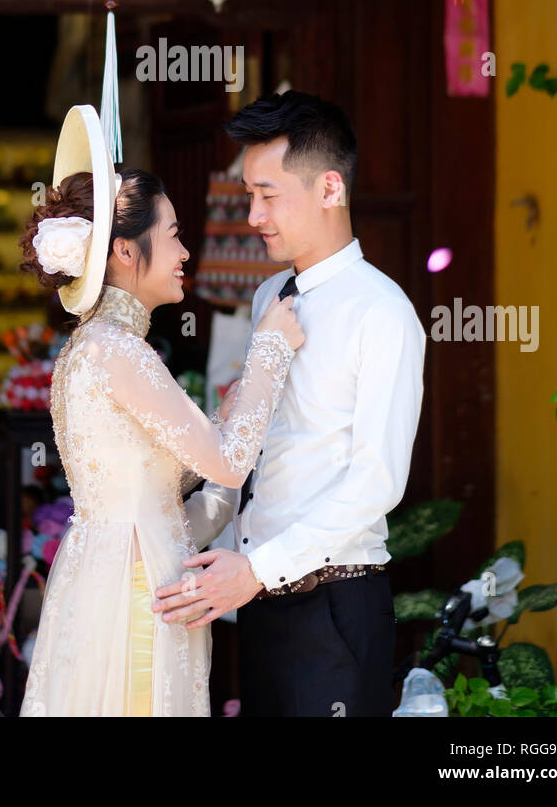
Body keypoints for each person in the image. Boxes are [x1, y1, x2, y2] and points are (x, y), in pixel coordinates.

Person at [18, 104, 304, 717]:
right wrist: (270, 351)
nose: (184, 250)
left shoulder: (89, 349)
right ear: (125, 249)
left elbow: (169, 498)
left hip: (113, 583)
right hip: (136, 598)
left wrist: (232, 414)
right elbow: (226, 463)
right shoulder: (120, 351)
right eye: (172, 233)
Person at [153, 90, 426, 718]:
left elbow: (376, 482)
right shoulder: (270, 295)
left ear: (330, 188)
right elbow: (256, 449)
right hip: (258, 602)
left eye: (268, 195)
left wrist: (257, 569)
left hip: (333, 605)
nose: (253, 216)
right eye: (249, 194)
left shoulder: (383, 313)